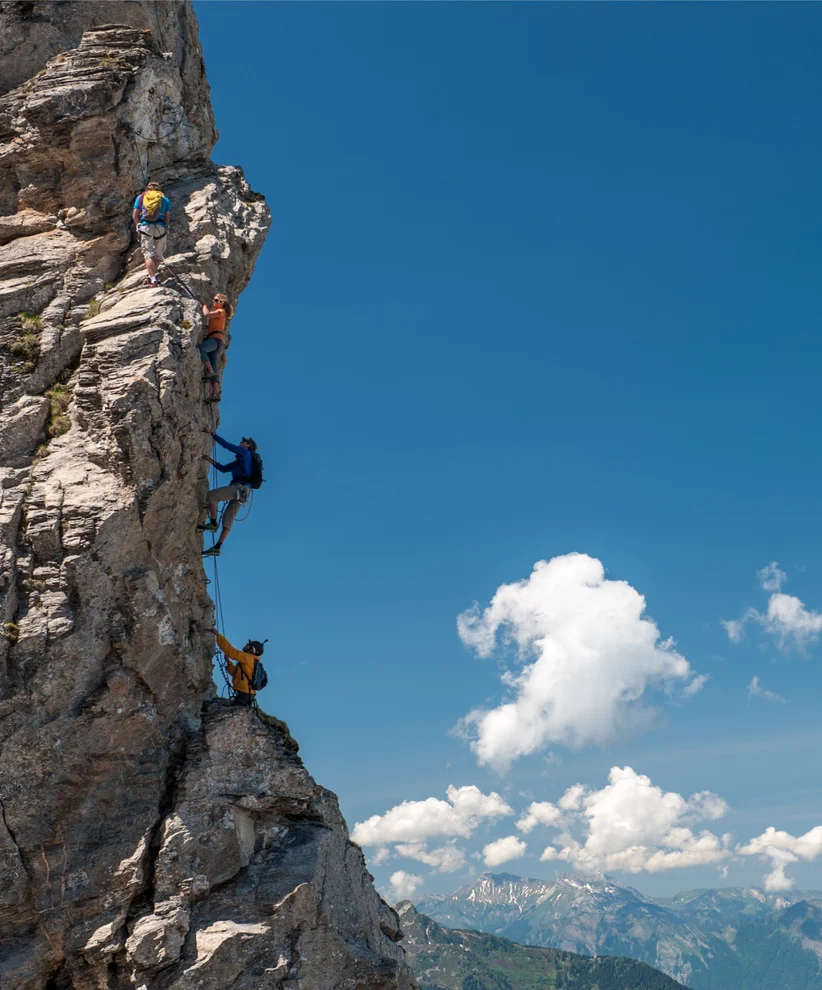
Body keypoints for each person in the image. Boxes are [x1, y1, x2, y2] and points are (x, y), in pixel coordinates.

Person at [199, 432, 257, 557]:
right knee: (228, 519)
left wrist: (213, 435)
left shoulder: (245, 454)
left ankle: (213, 523)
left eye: (243, 441)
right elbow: (223, 469)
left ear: (247, 446)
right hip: (244, 494)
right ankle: (217, 547)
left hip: (239, 489)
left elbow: (228, 446)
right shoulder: (240, 462)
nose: (240, 442)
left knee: (212, 495)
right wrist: (209, 460)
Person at [208, 628, 265, 707]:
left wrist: (218, 635)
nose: (246, 645)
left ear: (252, 650)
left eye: (248, 645)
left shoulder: (248, 658)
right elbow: (235, 673)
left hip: (244, 693)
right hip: (246, 694)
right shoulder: (251, 661)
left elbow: (231, 651)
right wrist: (228, 662)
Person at [132, 181, 171, 287]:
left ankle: (152, 278)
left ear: (147, 189)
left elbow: (135, 215)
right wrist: (166, 226)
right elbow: (167, 215)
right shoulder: (164, 199)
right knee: (158, 255)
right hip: (160, 227)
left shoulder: (141, 198)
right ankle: (152, 276)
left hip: (146, 227)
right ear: (159, 189)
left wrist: (138, 225)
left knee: (148, 253)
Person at [199, 293, 232, 401]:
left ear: (222, 303)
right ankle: (215, 393)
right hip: (216, 341)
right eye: (214, 299)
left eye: (216, 300)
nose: (214, 301)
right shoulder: (220, 312)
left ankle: (210, 372)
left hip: (215, 339)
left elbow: (207, 315)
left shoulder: (221, 312)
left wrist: (204, 305)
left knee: (202, 348)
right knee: (213, 364)